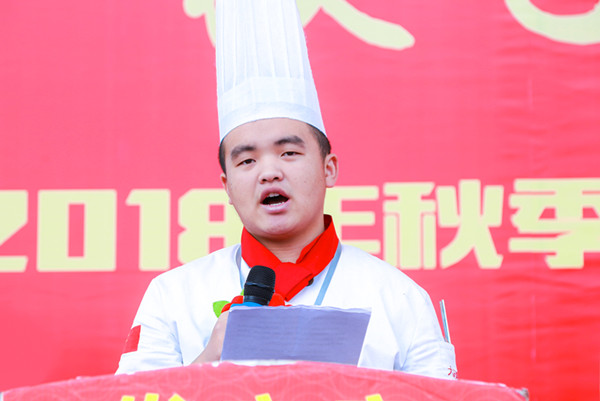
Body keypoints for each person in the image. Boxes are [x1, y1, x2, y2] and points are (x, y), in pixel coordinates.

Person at [116, 0, 456, 379]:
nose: (269, 172)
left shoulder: (399, 298)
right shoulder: (173, 296)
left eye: (289, 153)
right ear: (227, 187)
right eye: (247, 161)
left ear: (329, 169)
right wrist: (209, 359)